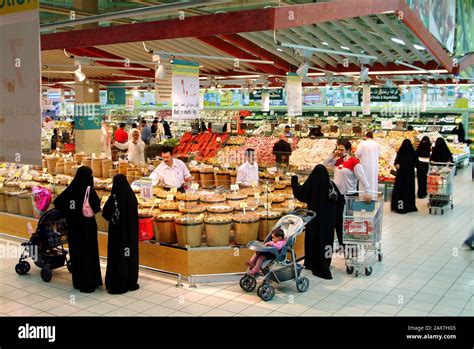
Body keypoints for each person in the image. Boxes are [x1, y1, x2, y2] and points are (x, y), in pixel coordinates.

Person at [54, 166, 102, 293]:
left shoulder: (71, 188)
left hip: (74, 227)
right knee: (89, 253)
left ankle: (79, 282)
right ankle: (91, 281)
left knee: (77, 253)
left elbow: (58, 203)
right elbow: (97, 207)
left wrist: (70, 213)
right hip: (88, 227)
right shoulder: (89, 190)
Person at [291, 165, 337, 279]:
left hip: (314, 217)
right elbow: (339, 199)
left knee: (313, 239)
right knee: (325, 240)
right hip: (327, 219)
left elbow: (300, 194)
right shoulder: (330, 184)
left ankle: (311, 262)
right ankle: (325, 263)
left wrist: (294, 181)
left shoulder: (312, 183)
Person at [325, 140, 371, 249]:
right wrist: (333, 154)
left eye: (342, 149)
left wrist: (367, 191)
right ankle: (342, 243)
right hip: (337, 196)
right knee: (337, 220)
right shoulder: (337, 161)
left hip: (349, 196)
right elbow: (324, 164)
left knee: (347, 220)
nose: (340, 151)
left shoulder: (354, 162)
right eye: (338, 149)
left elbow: (362, 178)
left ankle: (348, 243)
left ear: (349, 150)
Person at [102, 174, 139, 294]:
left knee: (118, 257)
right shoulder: (132, 197)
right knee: (129, 256)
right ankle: (130, 281)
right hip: (130, 235)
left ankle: (118, 283)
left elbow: (105, 214)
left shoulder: (114, 197)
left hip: (117, 235)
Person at [391, 139, 419, 214]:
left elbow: (396, 161)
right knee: (408, 190)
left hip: (401, 175)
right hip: (409, 175)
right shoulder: (413, 152)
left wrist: (397, 164)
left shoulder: (400, 152)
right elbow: (417, 163)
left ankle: (399, 206)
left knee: (400, 190)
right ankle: (408, 206)